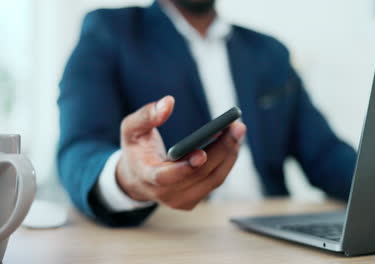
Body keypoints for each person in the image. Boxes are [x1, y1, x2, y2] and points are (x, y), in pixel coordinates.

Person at [58, 0, 357, 227]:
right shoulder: (108, 32)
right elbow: (78, 148)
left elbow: (327, 154)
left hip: (270, 235)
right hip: (174, 239)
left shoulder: (269, 52)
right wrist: (128, 177)